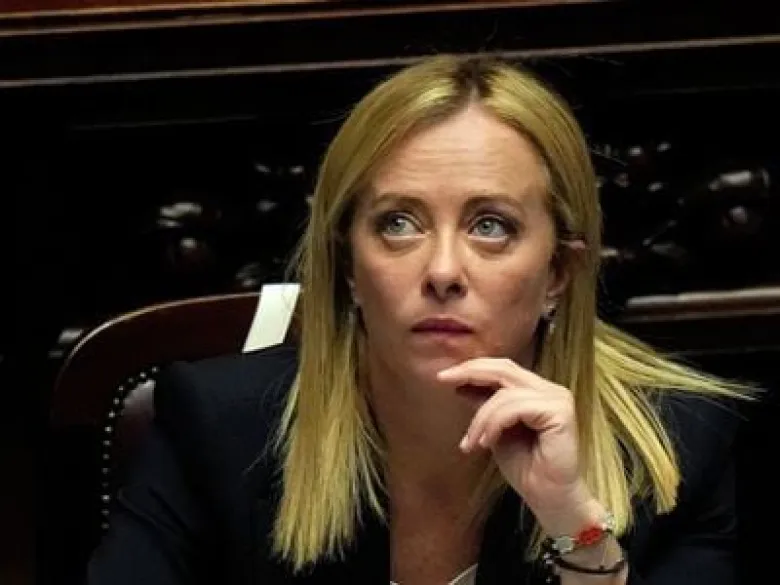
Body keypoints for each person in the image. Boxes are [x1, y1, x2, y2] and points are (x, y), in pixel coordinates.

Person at [87, 55, 750, 585]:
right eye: (398, 223)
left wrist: (576, 530)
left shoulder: (676, 449)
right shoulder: (218, 429)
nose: (442, 270)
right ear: (349, 266)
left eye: (491, 226)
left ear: (558, 273)